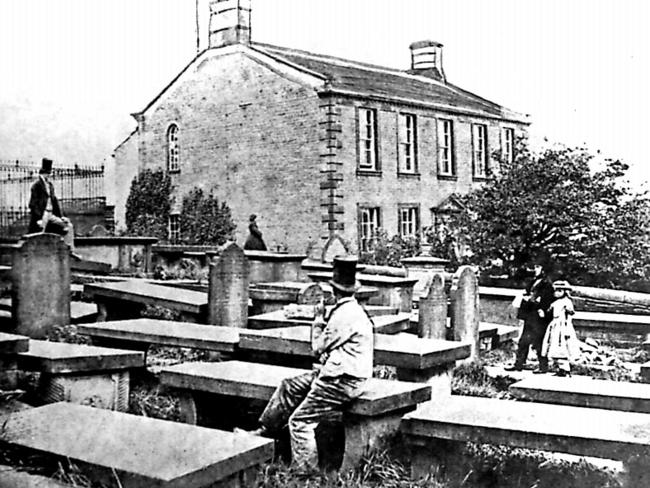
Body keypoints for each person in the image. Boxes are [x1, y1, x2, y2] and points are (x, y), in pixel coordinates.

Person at [238, 256, 374, 471]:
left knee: (300, 422)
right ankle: (264, 432)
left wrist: (318, 319)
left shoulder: (345, 315)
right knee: (289, 385)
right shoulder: (350, 310)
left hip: (342, 382)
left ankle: (305, 473)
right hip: (339, 374)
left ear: (333, 291)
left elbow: (316, 348)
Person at [505, 260, 555, 373]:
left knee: (539, 341)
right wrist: (527, 299)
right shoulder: (533, 281)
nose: (535, 270)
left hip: (539, 318)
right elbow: (528, 294)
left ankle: (543, 366)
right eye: (535, 267)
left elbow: (546, 300)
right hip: (530, 316)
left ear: (544, 270)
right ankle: (519, 364)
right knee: (523, 341)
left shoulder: (547, 284)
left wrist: (538, 304)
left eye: (538, 267)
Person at [28, 158, 76, 252]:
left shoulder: (50, 185)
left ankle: (70, 251)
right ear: (42, 173)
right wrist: (39, 218)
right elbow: (33, 204)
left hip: (51, 214)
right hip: (43, 215)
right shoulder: (36, 185)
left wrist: (61, 217)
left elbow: (54, 202)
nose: (48, 175)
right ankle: (37, 254)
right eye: (47, 173)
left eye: (48, 173)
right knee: (40, 234)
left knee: (68, 226)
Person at [541, 280, 580, 376]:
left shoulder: (567, 302)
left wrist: (566, 328)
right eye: (556, 291)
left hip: (562, 326)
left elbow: (569, 316)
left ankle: (565, 368)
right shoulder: (556, 302)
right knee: (554, 345)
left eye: (559, 291)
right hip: (555, 325)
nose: (556, 293)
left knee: (562, 346)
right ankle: (560, 368)